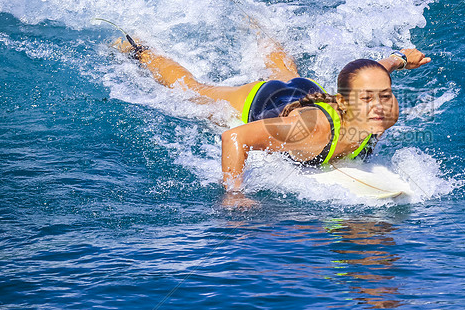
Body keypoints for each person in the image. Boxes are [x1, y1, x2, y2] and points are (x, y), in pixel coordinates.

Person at [113, 28, 430, 206]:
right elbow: (234, 137)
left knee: (286, 70)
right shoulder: (312, 133)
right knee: (195, 91)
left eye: (385, 96)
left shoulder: (382, 112)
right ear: (347, 103)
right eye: (368, 99)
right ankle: (137, 49)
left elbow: (374, 73)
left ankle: (257, 24)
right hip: (265, 100)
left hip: (308, 93)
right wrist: (234, 194)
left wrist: (399, 58)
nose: (380, 106)